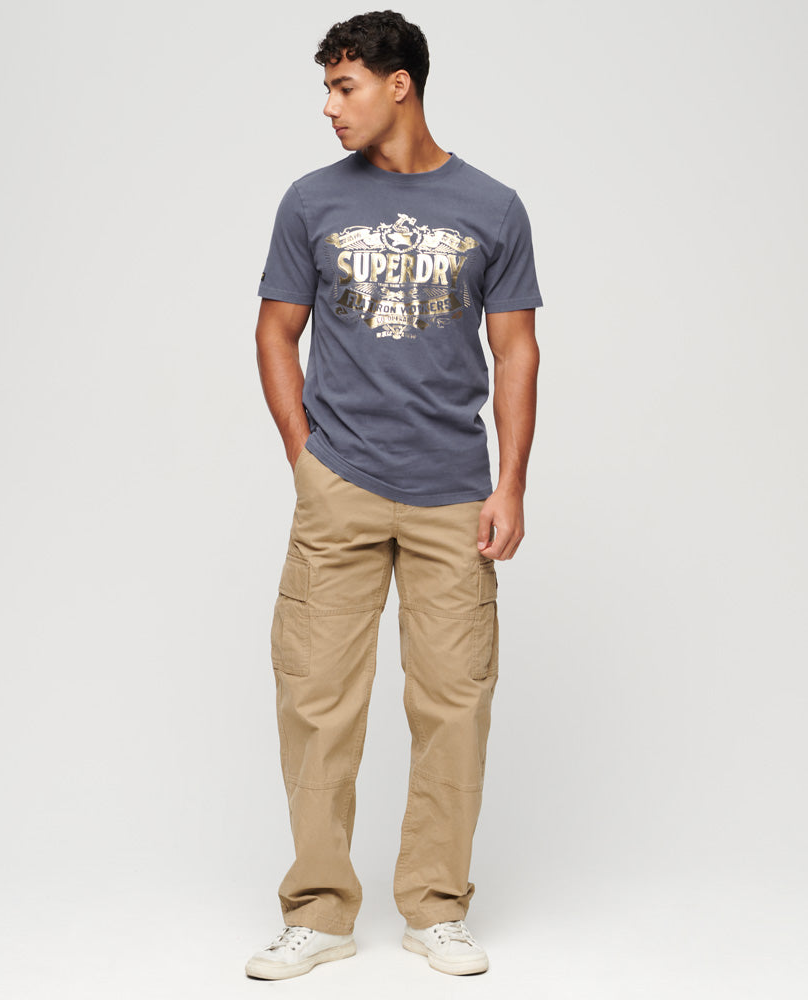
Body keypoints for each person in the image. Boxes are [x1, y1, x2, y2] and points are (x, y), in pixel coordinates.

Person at [245, 9, 543, 981]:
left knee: (454, 704)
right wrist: (306, 458)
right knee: (315, 700)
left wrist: (509, 485)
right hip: (341, 486)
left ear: (398, 84)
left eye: (345, 87)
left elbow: (516, 350)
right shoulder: (310, 201)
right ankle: (318, 912)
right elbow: (275, 330)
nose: (331, 107)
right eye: (329, 88)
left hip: (454, 493)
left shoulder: (493, 206)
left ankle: (436, 907)